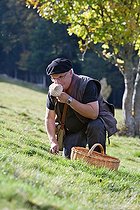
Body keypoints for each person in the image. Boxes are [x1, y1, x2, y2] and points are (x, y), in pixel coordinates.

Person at [45, 58, 117, 158]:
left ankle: (98, 159)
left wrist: (68, 100)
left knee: (96, 125)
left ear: (70, 73)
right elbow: (50, 118)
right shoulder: (53, 90)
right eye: (53, 78)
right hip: (74, 128)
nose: (57, 82)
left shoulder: (87, 84)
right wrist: (53, 141)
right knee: (69, 158)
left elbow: (93, 114)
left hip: (93, 123)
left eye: (61, 77)